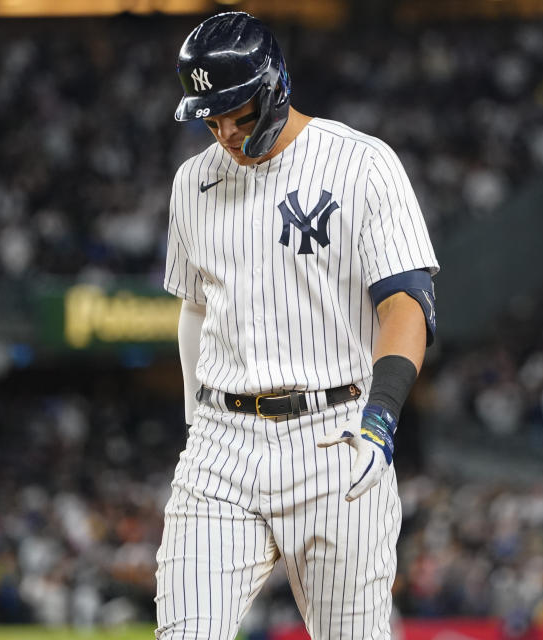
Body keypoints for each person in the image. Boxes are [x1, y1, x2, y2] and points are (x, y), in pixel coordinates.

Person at [156, 12, 439, 639]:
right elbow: (196, 306)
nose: (225, 131)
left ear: (276, 84)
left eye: (240, 113)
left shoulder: (362, 164)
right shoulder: (193, 182)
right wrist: (193, 423)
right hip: (221, 445)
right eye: (211, 117)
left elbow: (407, 304)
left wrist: (381, 419)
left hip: (335, 435)